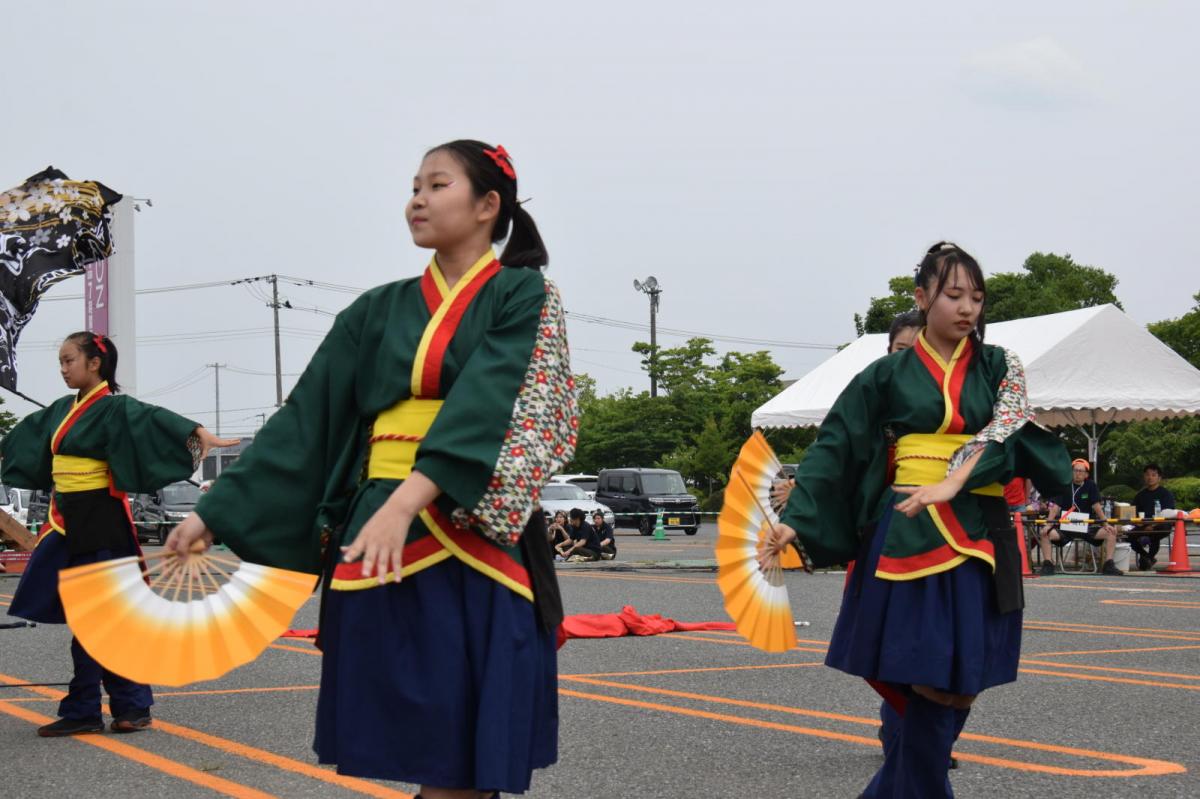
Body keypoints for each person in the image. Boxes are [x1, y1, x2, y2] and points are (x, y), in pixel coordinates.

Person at [167, 140, 575, 799]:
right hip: (380, 527)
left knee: (464, 748)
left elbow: (493, 399)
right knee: (431, 745)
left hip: (470, 523)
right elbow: (308, 416)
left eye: (437, 185)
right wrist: (215, 511)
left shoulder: (523, 293)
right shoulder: (375, 309)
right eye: (414, 186)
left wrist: (406, 500)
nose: (417, 199)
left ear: (487, 206)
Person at [764, 241, 1070, 798]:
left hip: (982, 527)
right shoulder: (886, 374)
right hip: (909, 528)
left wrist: (956, 478)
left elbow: (1008, 429)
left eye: (977, 297)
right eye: (954, 294)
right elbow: (836, 444)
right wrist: (797, 519)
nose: (968, 307)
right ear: (922, 297)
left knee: (962, 684)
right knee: (927, 677)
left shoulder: (1000, 364)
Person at [0, 332, 234, 737]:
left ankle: (102, 708)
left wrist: (197, 433)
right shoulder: (61, 410)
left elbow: (157, 420)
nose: (63, 369)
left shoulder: (117, 408)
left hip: (101, 520)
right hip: (66, 520)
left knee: (102, 619)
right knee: (94, 620)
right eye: (60, 362)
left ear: (95, 363)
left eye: (69, 360)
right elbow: (23, 439)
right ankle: (117, 706)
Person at [1036, 459, 1123, 576]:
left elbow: (1097, 506)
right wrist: (1048, 524)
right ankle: (1048, 564)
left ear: (1086, 474)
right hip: (1066, 527)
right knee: (1044, 533)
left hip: (1086, 526)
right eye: (1075, 470)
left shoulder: (1091, 485)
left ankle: (1108, 565)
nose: (1077, 473)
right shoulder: (1064, 485)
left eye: (1081, 471)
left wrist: (1105, 524)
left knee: (1111, 532)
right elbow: (1055, 507)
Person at [1131, 463, 1175, 571]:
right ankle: (1147, 556)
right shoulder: (1140, 495)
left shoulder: (1166, 494)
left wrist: (1153, 525)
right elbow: (1133, 512)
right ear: (1144, 477)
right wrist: (1137, 523)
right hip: (1143, 525)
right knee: (1127, 535)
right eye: (1147, 475)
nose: (1150, 477)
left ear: (1159, 478)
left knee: (1156, 533)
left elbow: (1168, 513)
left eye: (1153, 475)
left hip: (1160, 524)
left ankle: (1148, 558)